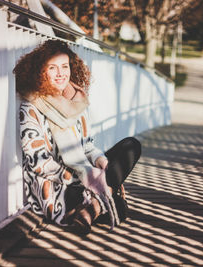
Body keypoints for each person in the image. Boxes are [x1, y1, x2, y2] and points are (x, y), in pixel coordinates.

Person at [13, 40, 141, 235]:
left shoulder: (76, 102)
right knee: (119, 207)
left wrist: (101, 161)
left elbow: (87, 146)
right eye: (53, 68)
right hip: (60, 186)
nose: (60, 73)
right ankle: (96, 204)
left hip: (84, 176)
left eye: (64, 67)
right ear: (41, 71)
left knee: (131, 146)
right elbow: (38, 163)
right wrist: (81, 176)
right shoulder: (31, 107)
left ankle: (92, 208)